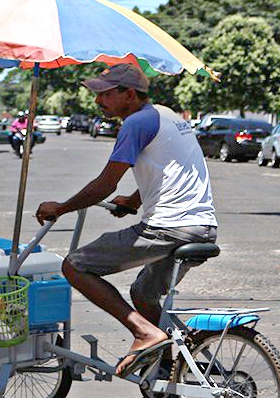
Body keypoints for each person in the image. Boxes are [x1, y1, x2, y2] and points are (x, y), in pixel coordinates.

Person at [35, 63, 217, 377]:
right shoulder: (168, 115)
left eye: (105, 94)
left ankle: (144, 333)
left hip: (170, 227)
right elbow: (171, 168)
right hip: (202, 227)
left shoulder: (135, 123)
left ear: (129, 94)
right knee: (143, 293)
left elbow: (105, 184)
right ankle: (168, 366)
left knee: (74, 265)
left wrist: (60, 208)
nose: (97, 102)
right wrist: (133, 202)